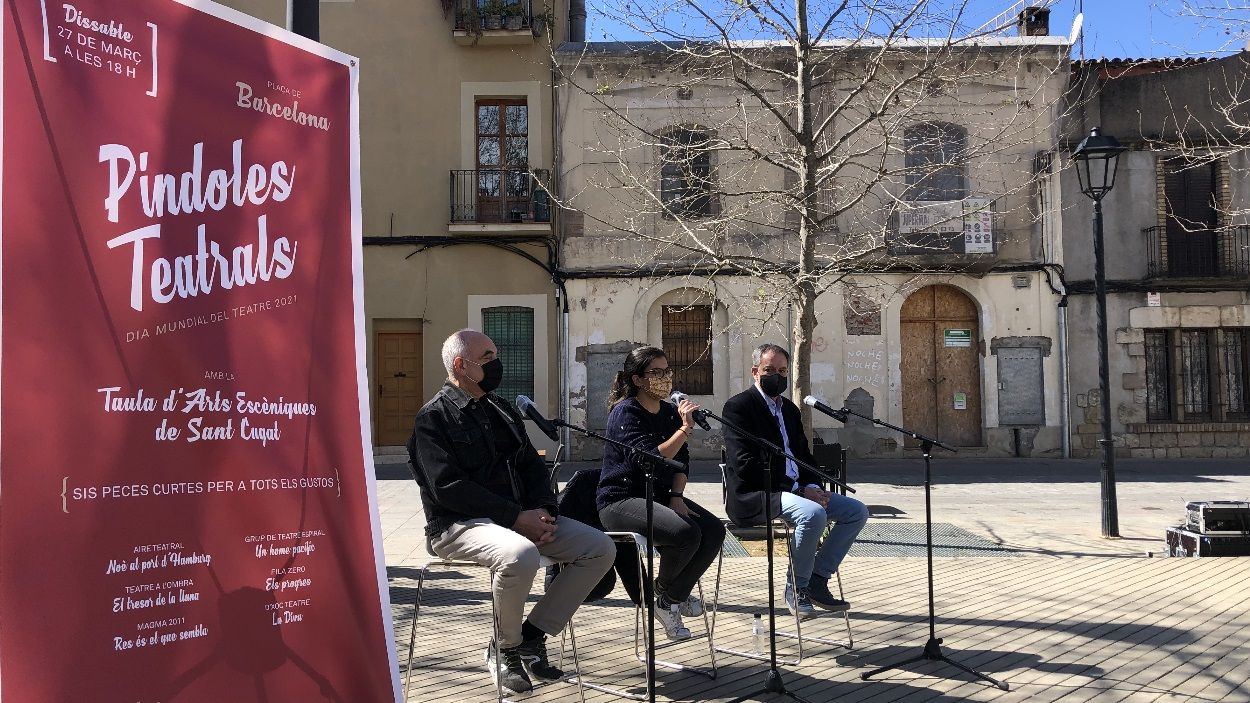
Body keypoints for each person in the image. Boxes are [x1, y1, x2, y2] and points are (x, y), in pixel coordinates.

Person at [407, 329, 615, 695]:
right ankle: (504, 650)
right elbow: (448, 487)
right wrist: (516, 518)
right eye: (487, 357)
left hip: (520, 519)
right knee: (520, 555)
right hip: (457, 526)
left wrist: (545, 512)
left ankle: (532, 636)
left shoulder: (502, 410)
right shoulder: (433, 419)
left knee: (599, 548)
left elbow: (531, 467)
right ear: (461, 365)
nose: (497, 363)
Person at [722, 343, 869, 620]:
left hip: (798, 491)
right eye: (769, 370)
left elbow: (803, 455)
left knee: (856, 511)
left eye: (782, 371)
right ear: (755, 372)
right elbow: (745, 466)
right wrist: (800, 491)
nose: (776, 376)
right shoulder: (738, 407)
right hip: (758, 493)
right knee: (813, 514)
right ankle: (796, 588)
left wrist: (812, 486)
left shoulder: (789, 410)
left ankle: (816, 578)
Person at [596, 345, 726, 640]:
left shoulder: (668, 411)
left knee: (714, 529)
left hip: (660, 495)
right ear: (638, 379)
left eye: (667, 371)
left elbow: (682, 461)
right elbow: (647, 458)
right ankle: (670, 596)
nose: (665, 377)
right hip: (620, 499)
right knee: (686, 533)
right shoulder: (625, 412)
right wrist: (684, 429)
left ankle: (669, 598)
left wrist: (676, 497)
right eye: (656, 372)